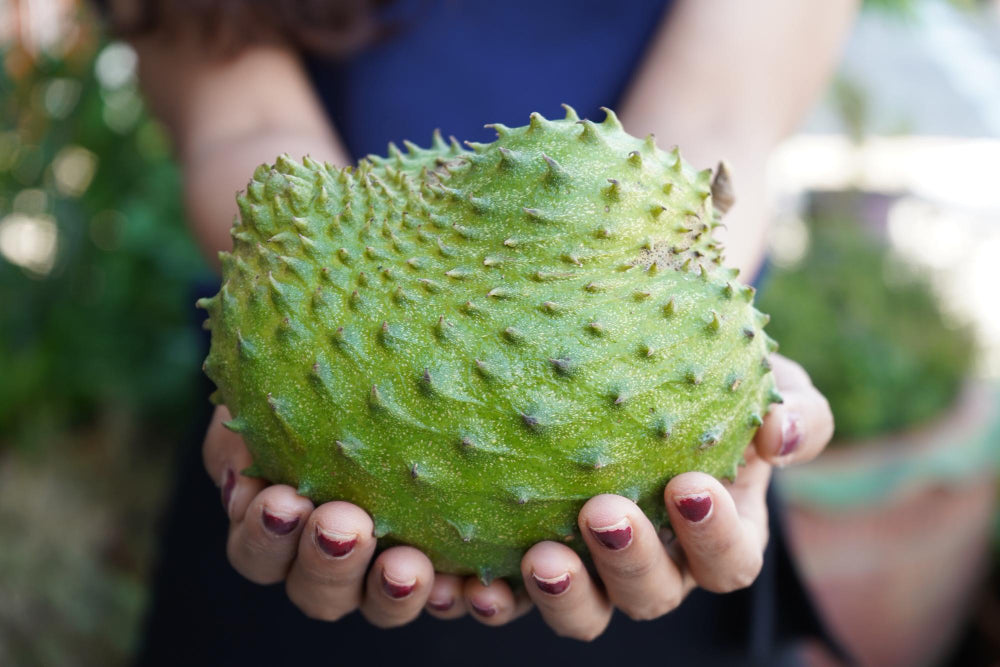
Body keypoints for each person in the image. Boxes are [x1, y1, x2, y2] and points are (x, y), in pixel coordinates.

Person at [107, 0, 857, 663]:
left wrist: (689, 325)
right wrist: (292, 294)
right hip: (292, 485)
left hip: (653, 531)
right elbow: (244, 126)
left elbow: (722, 117)